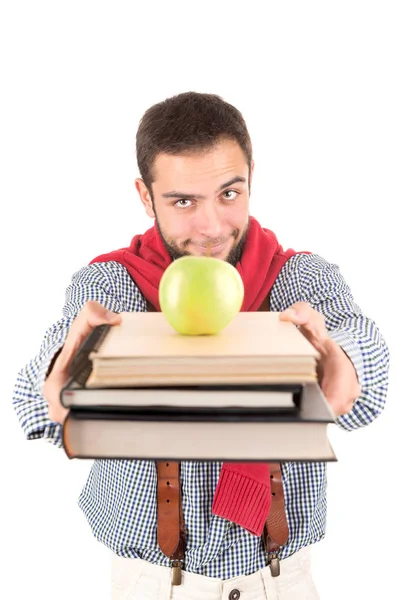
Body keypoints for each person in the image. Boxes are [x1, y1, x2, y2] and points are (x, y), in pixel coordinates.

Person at [13, 91, 390, 600]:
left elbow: (361, 351)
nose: (212, 227)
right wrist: (63, 380)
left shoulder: (298, 279)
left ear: (252, 177)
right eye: (184, 201)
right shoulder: (112, 287)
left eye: (229, 193)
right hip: (150, 584)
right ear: (146, 198)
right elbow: (34, 400)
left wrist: (341, 364)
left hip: (280, 582)